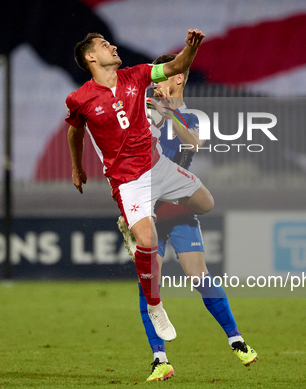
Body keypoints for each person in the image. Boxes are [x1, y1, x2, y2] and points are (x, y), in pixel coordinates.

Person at [66, 30, 214, 346]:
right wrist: (77, 167)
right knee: (149, 241)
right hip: (127, 181)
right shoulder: (80, 99)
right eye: (105, 45)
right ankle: (155, 305)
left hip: (157, 165)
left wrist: (191, 48)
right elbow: (74, 132)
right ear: (91, 57)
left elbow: (174, 68)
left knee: (206, 202)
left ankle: (140, 224)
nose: (114, 45)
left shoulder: (137, 75)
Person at [118, 54, 258, 382]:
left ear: (179, 78)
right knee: (149, 280)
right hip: (148, 207)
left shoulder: (191, 116)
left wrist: (170, 112)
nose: (157, 80)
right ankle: (159, 359)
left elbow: (192, 143)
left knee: (199, 276)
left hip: (177, 208)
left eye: (165, 75)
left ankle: (236, 339)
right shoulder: (143, 108)